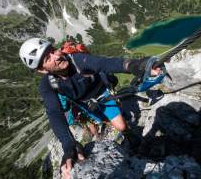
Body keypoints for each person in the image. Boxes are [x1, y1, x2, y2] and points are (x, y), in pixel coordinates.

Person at [19, 38, 162, 179]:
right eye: (47, 58)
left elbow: (105, 63)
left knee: (121, 125)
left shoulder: (77, 60)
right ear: (42, 70)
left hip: (101, 94)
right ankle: (101, 130)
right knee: (95, 123)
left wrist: (136, 65)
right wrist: (68, 144)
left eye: (53, 50)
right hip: (84, 105)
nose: (57, 55)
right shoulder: (47, 85)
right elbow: (54, 113)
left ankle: (131, 138)